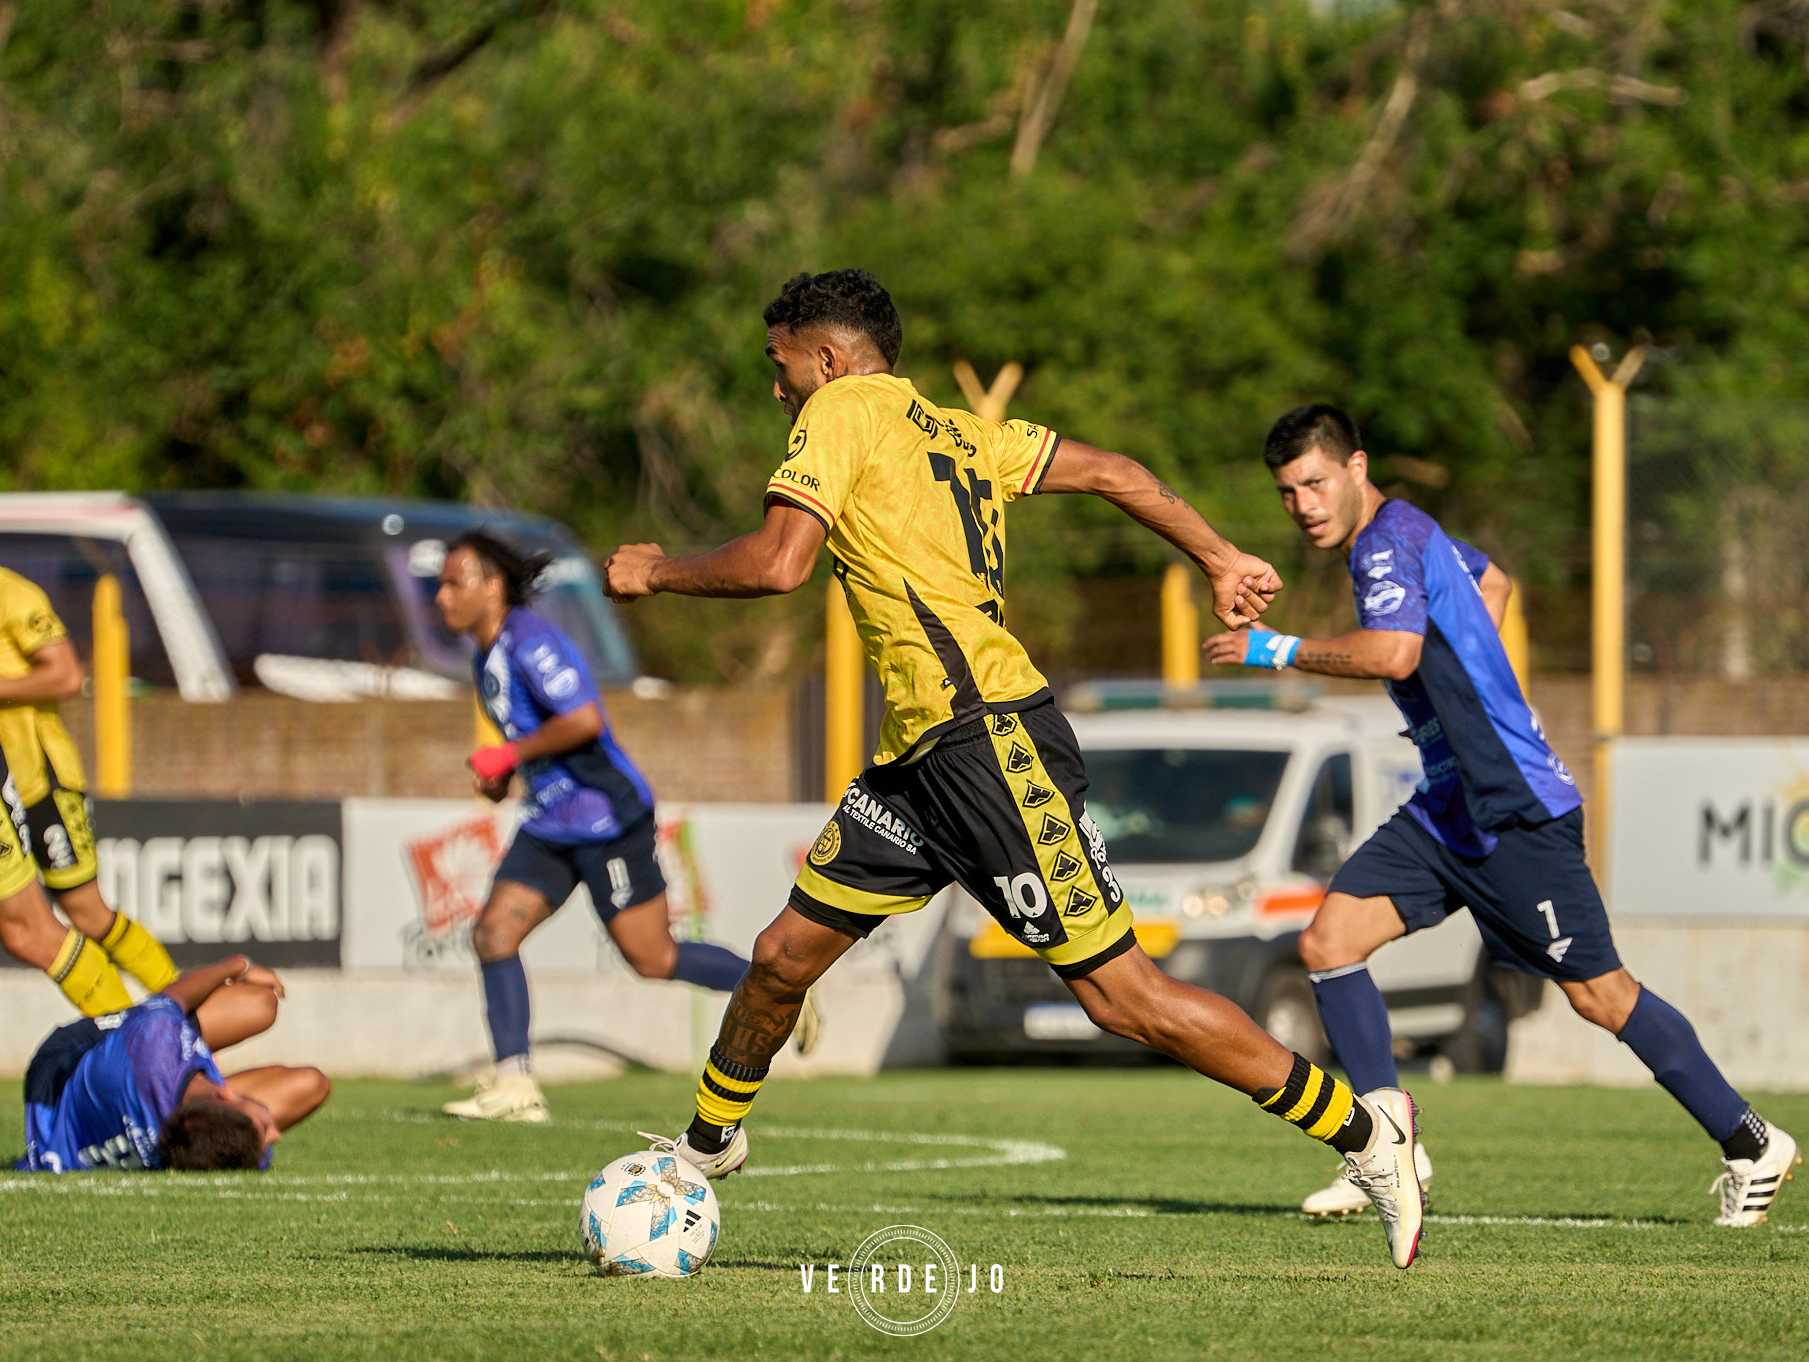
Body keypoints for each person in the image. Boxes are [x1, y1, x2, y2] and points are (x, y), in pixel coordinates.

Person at [604, 269, 1429, 1269]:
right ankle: (702, 1148)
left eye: (777, 365)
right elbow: (1116, 471)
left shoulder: (840, 411)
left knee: (1123, 1000)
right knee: (782, 955)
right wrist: (1213, 556)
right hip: (919, 760)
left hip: (988, 743)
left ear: (825, 356)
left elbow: (779, 564)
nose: (775, 388)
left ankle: (1366, 1135)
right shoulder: (956, 431)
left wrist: (655, 572)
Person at [1206, 403, 1802, 1228]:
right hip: (1451, 804)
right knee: (1329, 943)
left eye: (1314, 482)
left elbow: (1396, 653)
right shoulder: (1409, 530)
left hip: (1516, 810)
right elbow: (1494, 584)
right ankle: (1390, 1146)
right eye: (1286, 492)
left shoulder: (1385, 541)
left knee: (1603, 997)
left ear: (1355, 467)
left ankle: (1750, 1143)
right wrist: (1470, 678)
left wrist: (1274, 648)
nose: (1303, 503)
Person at [433, 531, 775, 1123]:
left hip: (605, 818)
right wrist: (503, 778)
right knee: (493, 936)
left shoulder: (531, 640)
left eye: (451, 583)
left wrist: (509, 758)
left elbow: (585, 719)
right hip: (549, 823)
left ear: (491, 587)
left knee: (652, 958)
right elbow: (536, 743)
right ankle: (516, 1087)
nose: (440, 597)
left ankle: (775, 988)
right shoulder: (485, 657)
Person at [0, 489, 180, 1117]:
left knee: (86, 914)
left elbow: (66, 675)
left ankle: (184, 1017)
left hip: (38, 782)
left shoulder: (15, 596)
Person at [19, 953, 329, 1172]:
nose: (277, 1134)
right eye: (265, 1129)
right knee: (313, 1084)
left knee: (258, 1004)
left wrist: (238, 965)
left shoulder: (155, 1043)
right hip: (127, 1091)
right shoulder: (199, 1148)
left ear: (224, 1096)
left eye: (265, 1127)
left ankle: (122, 1045)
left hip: (61, 1071)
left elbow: (173, 995)